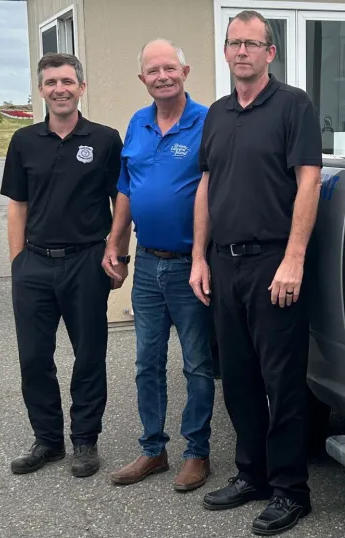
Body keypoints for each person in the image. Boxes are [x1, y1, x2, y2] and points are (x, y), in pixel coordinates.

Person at [189, 10, 322, 536]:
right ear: (224, 52)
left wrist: (294, 258)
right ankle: (254, 475)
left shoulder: (293, 106)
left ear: (270, 53)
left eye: (252, 43)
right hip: (224, 263)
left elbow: (307, 181)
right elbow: (206, 186)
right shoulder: (217, 114)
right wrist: (200, 256)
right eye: (233, 43)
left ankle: (292, 490)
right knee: (238, 379)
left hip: (274, 263)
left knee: (281, 381)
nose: (241, 51)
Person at [0, 52, 123, 479]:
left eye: (67, 81)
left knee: (89, 356)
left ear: (81, 87)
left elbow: (119, 203)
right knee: (35, 358)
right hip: (34, 264)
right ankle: (47, 441)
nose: (60, 89)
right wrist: (18, 263)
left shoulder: (105, 140)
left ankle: (85, 441)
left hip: (86, 262)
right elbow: (18, 205)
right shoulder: (24, 140)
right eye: (51, 82)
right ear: (41, 90)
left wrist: (116, 253)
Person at [104, 38, 216, 493]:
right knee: (146, 362)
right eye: (153, 71)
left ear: (185, 72)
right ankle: (153, 448)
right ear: (143, 79)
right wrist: (116, 245)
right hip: (148, 263)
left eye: (170, 67)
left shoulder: (208, 122)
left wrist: (202, 258)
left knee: (196, 363)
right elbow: (127, 188)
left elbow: (215, 189)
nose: (162, 76)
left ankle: (197, 452)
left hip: (191, 265)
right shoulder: (137, 123)